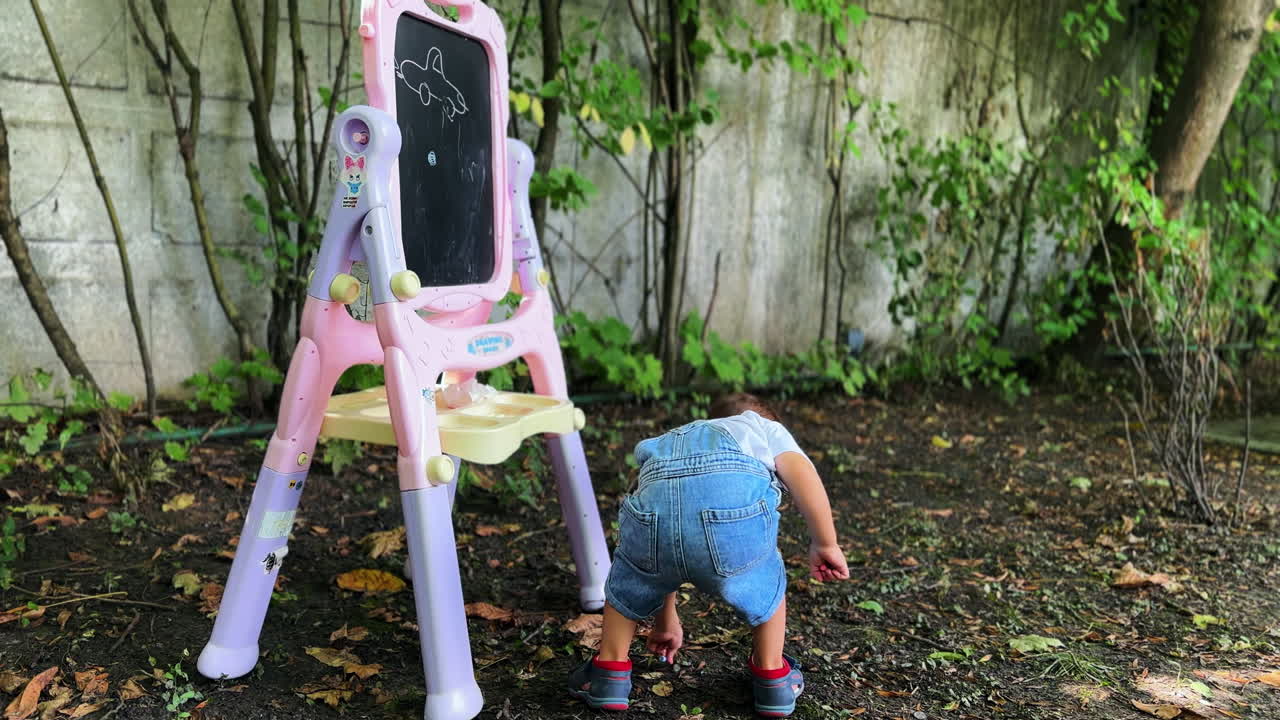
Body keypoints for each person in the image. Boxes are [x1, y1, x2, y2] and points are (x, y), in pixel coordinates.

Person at [569, 393, 850, 717]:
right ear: (767, 418)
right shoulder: (763, 428)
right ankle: (773, 677)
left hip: (653, 519)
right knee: (764, 579)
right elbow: (801, 472)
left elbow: (670, 536)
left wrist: (665, 620)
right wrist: (825, 543)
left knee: (631, 580)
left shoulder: (674, 439)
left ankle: (609, 674)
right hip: (730, 521)